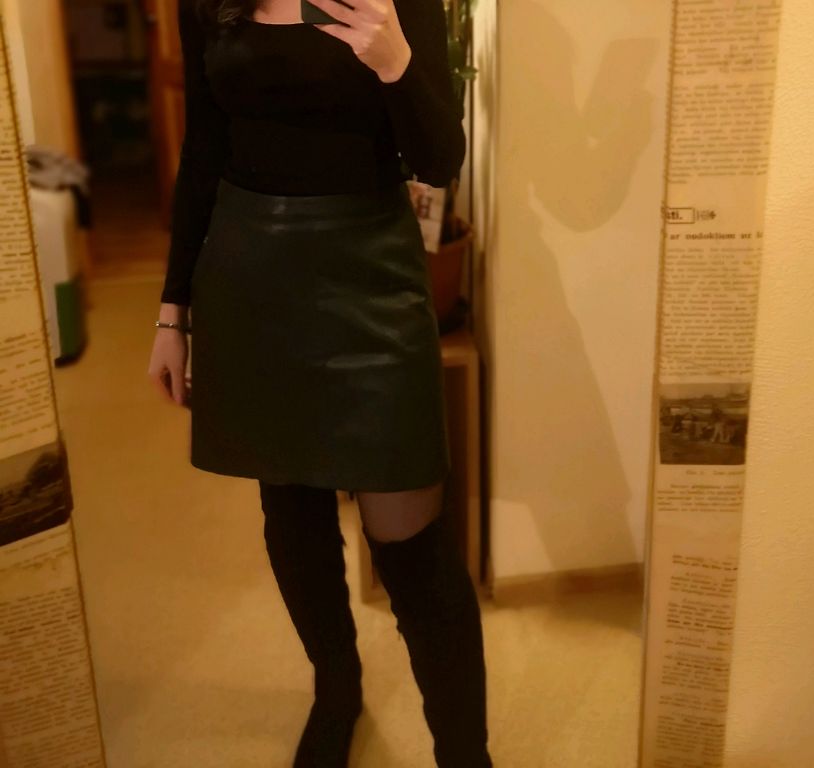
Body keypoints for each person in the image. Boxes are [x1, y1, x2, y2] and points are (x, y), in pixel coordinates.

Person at [146, 1, 493, 766]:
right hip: (251, 277)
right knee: (292, 517)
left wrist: (394, 60)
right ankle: (336, 690)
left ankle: (466, 756)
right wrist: (173, 312)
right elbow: (203, 147)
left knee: (414, 552)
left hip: (370, 272)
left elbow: (438, 159)